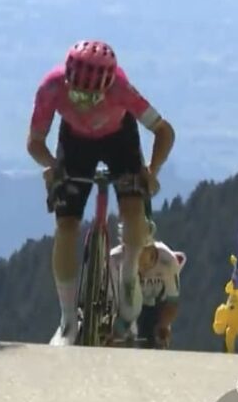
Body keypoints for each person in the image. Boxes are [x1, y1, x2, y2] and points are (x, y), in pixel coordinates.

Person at [29, 40, 175, 344]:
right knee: (65, 225)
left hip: (119, 141)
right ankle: (68, 318)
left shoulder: (121, 89)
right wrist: (53, 166)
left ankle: (128, 274)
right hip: (75, 143)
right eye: (77, 94)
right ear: (67, 80)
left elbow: (164, 131)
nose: (84, 102)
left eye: (93, 95)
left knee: (133, 211)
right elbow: (35, 142)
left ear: (107, 86)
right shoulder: (51, 87)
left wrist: (151, 171)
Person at [105, 222, 182, 349]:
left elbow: (172, 302)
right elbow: (111, 302)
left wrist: (163, 325)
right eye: (128, 252)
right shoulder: (114, 260)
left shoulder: (167, 260)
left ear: (150, 249)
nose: (134, 259)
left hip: (156, 303)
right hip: (126, 304)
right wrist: (114, 331)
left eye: (139, 253)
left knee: (156, 335)